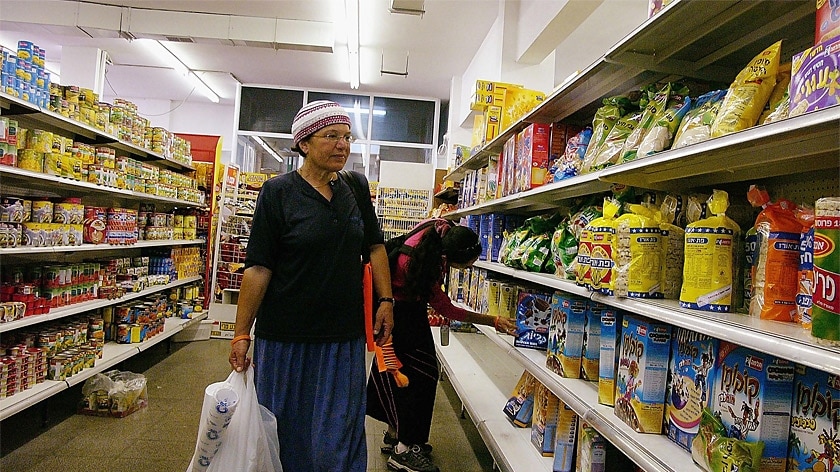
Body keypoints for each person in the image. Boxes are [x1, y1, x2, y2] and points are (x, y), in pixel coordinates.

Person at [228, 100, 395, 472]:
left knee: (340, 431)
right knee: (283, 429)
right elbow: (258, 268)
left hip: (343, 335)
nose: (342, 145)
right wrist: (241, 333)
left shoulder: (356, 187)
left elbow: (375, 246)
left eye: (347, 137)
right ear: (304, 143)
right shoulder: (278, 193)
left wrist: (386, 299)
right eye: (331, 136)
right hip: (286, 335)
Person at [366, 219, 517, 472]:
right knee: (420, 378)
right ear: (450, 258)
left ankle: (396, 434)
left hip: (397, 313)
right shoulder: (423, 264)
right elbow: (446, 309)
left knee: (397, 373)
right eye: (467, 265)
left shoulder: (438, 230)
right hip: (399, 316)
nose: (468, 269)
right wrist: (492, 320)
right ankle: (404, 451)